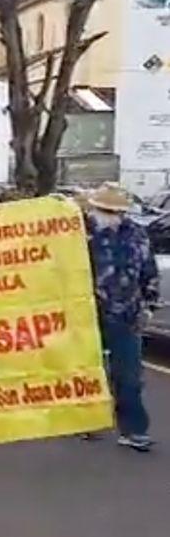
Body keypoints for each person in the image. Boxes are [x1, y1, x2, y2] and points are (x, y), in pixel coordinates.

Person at [85, 183, 158, 452]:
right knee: (89, 371)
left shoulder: (137, 235)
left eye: (114, 211)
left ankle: (134, 430)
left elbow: (148, 270)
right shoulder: (81, 236)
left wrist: (149, 305)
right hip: (89, 314)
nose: (108, 215)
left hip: (127, 314)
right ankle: (89, 420)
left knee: (128, 374)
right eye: (104, 210)